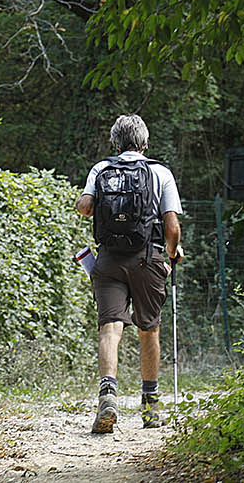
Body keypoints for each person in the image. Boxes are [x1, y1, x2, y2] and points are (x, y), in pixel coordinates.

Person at [75, 113, 183, 433]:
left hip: (108, 260)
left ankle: (107, 395)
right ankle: (150, 405)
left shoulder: (102, 169)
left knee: (110, 328)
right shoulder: (159, 172)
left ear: (115, 142)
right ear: (145, 142)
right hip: (147, 259)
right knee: (148, 329)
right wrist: (173, 251)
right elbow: (172, 225)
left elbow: (85, 207)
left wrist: (90, 199)